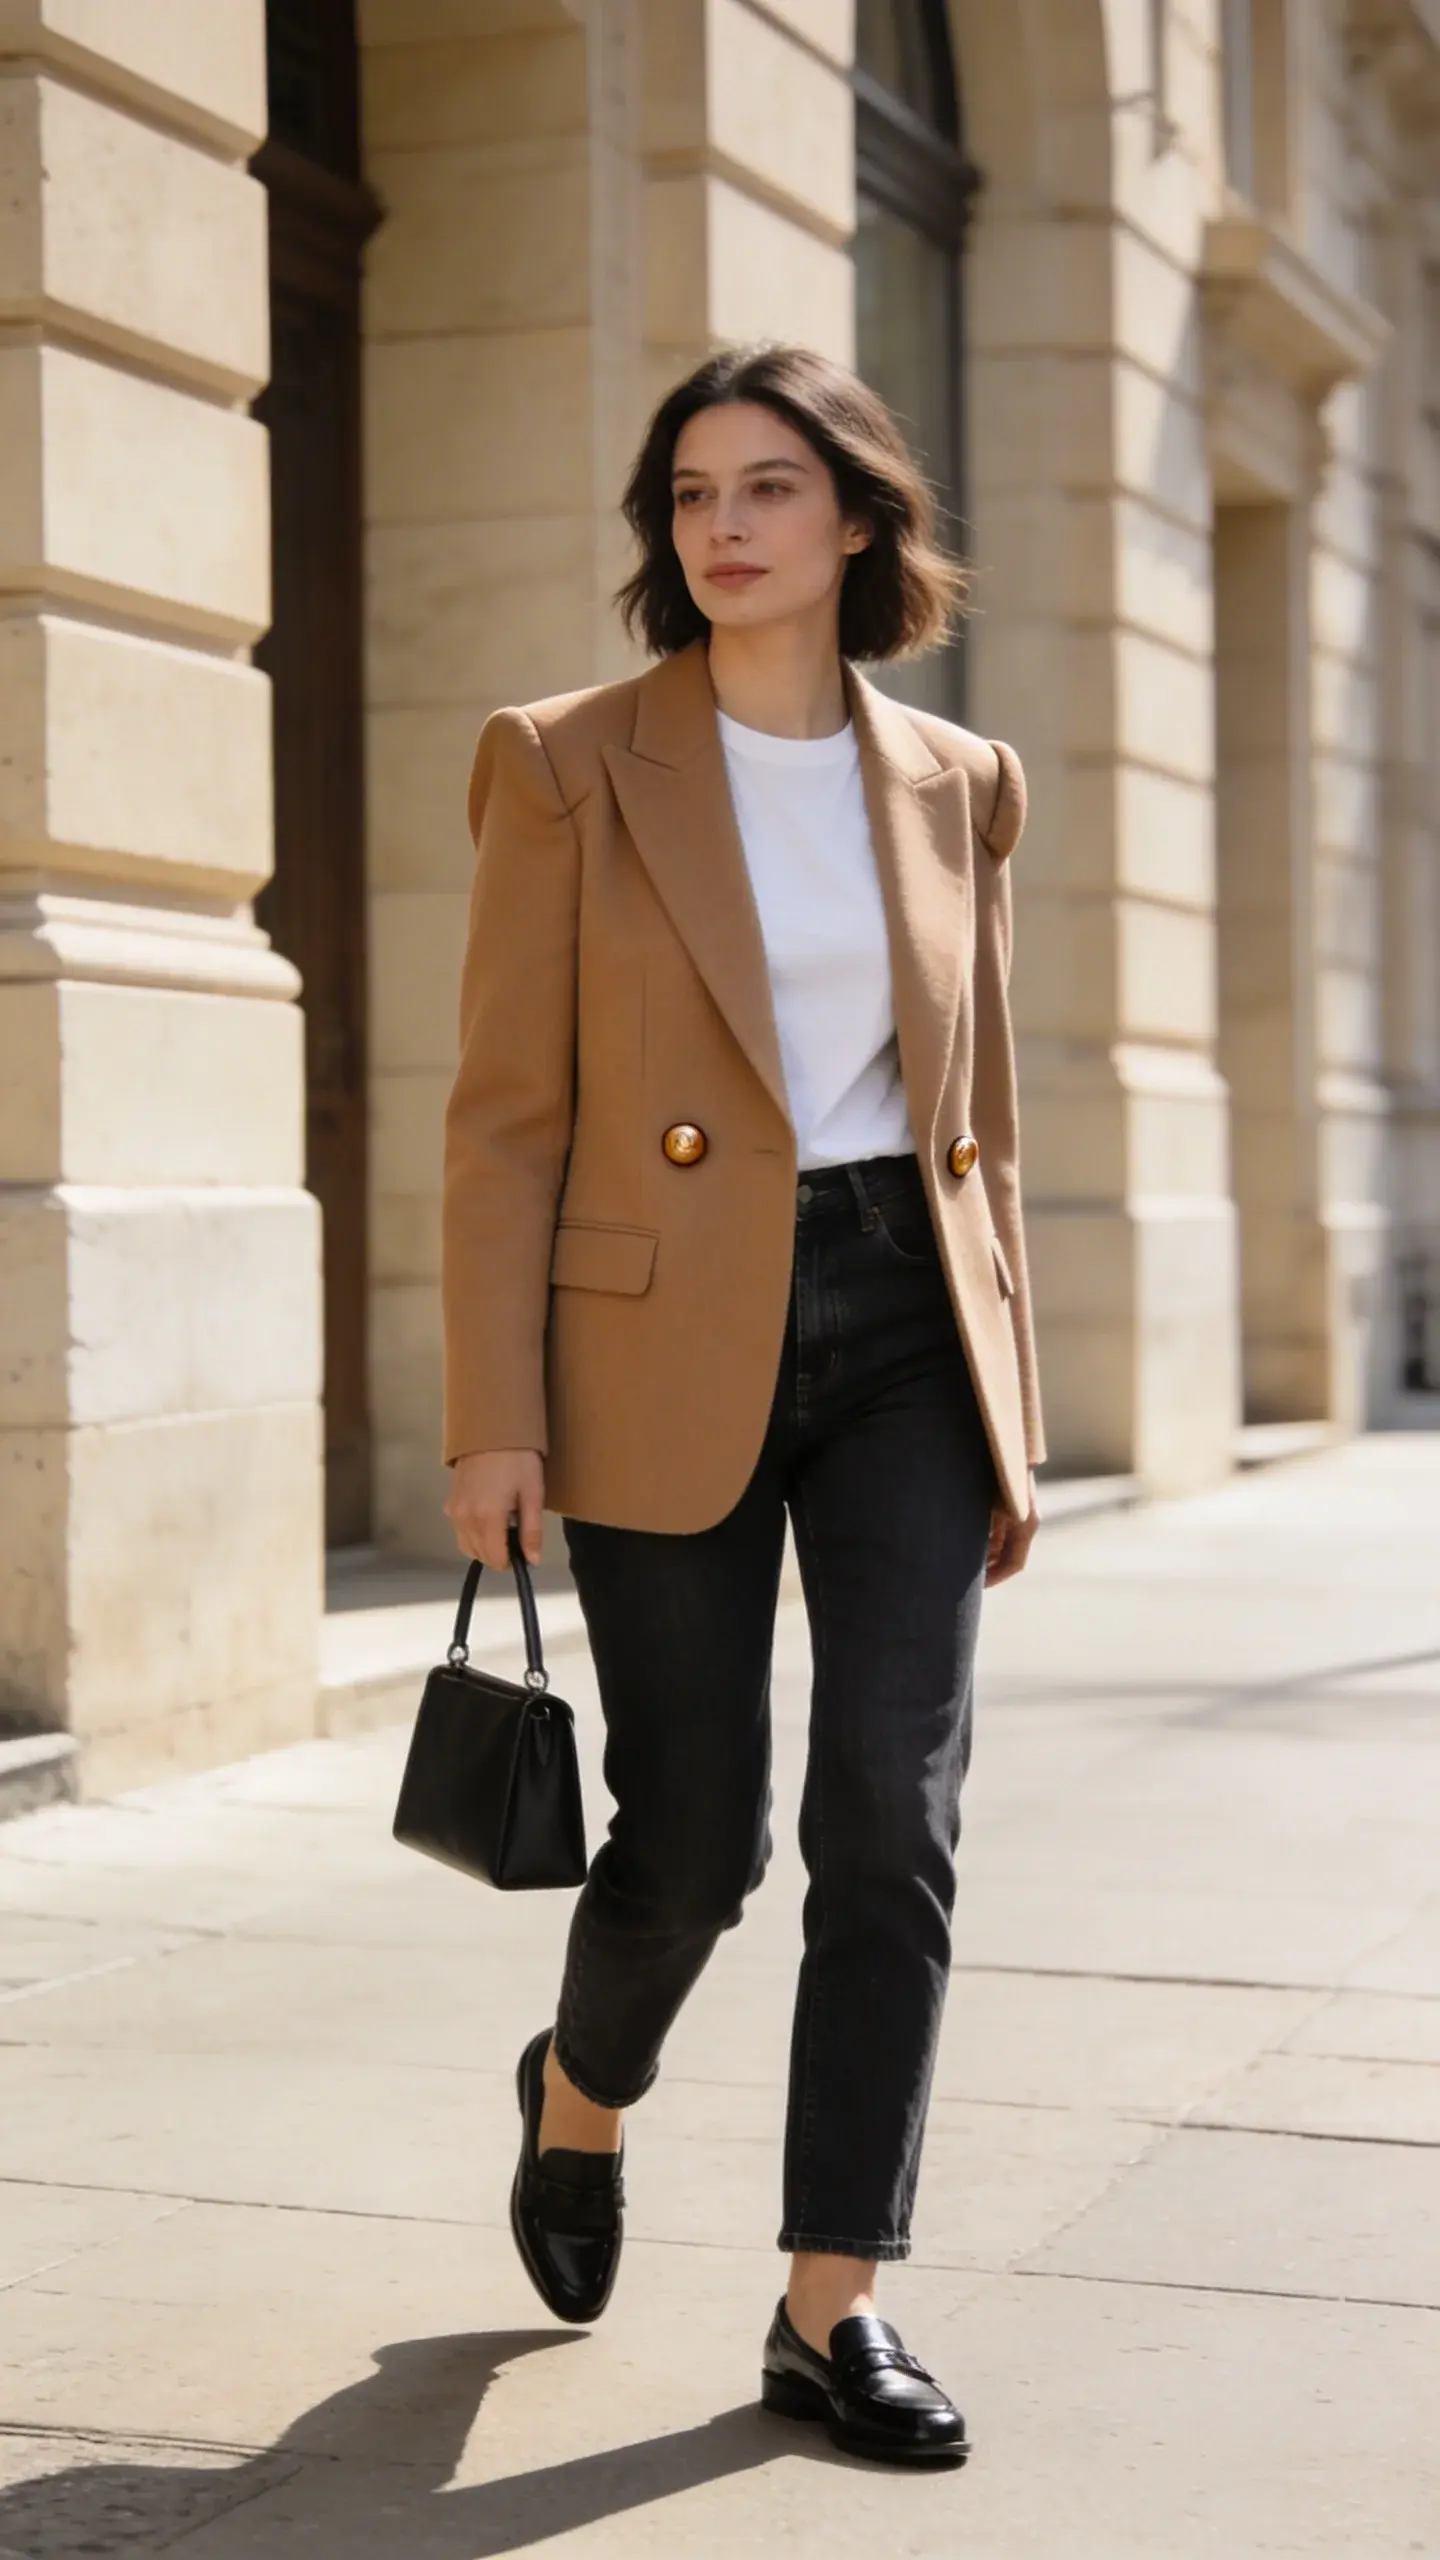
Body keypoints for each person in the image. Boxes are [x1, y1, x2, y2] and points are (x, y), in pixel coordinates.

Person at [441, 342, 1043, 2467]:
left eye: (771, 485)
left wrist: (1012, 1402)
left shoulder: (963, 779)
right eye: (690, 489)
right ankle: (580, 2086)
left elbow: (976, 1119)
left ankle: (830, 2299)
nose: (722, 524)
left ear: (860, 522)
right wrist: (488, 1414)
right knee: (686, 1833)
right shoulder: (568, 762)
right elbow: (507, 1116)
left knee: (892, 1807)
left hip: (900, 1336)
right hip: (654, 1335)